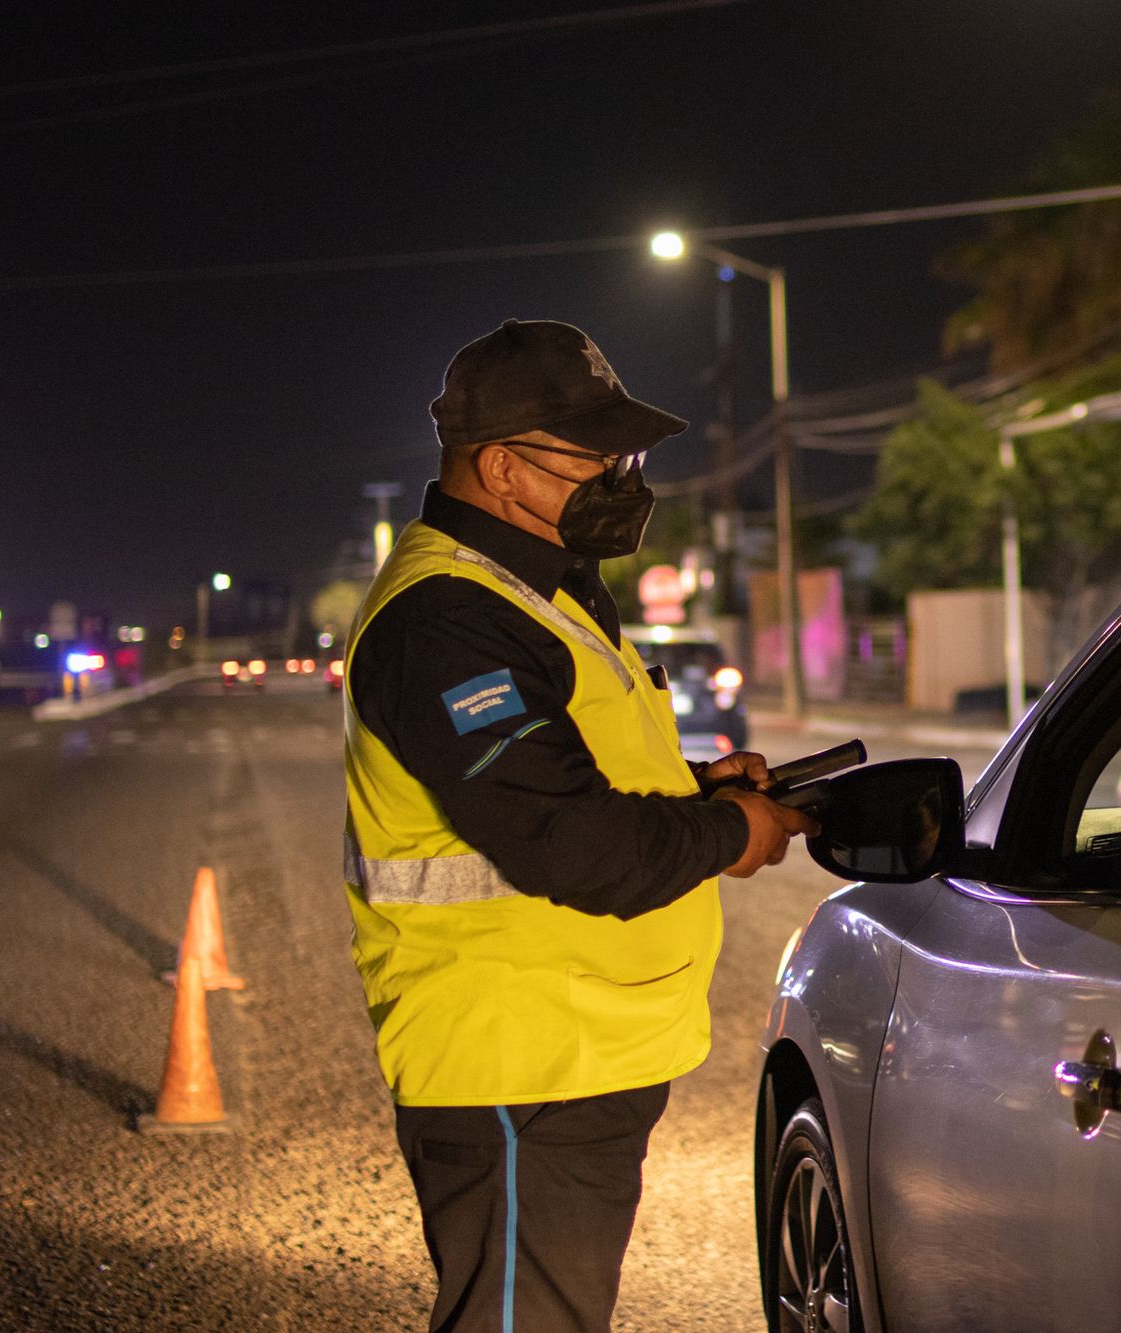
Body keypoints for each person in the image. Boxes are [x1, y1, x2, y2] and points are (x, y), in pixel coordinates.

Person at [341, 318, 817, 1332]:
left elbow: (565, 779)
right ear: (503, 466)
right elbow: (562, 838)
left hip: (571, 1052)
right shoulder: (448, 620)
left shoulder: (536, 588)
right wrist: (729, 835)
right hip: (518, 1064)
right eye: (593, 454)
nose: (620, 475)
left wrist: (700, 790)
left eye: (624, 453)